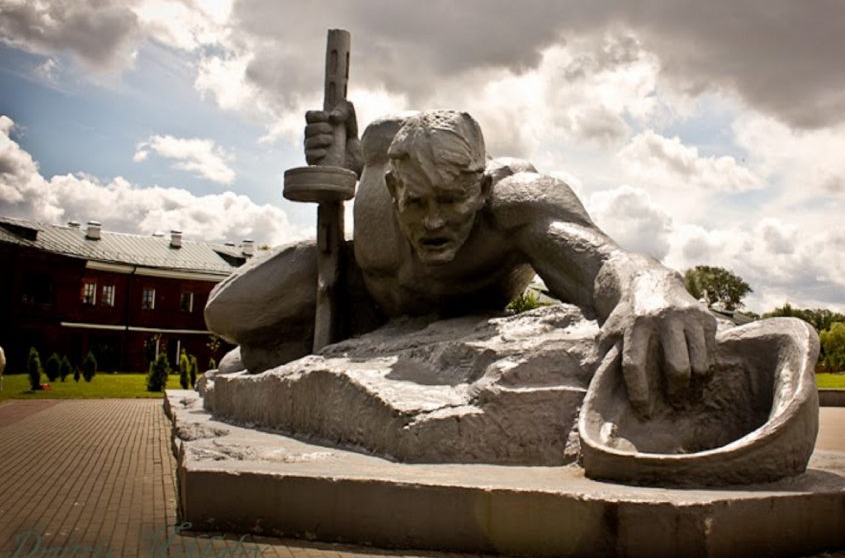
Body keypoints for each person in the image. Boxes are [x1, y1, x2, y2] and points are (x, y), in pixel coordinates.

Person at [207, 105, 717, 415]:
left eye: (452, 203)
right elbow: (358, 171)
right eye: (418, 204)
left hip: (425, 328)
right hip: (358, 302)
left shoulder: (515, 201)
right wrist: (340, 166)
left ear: (481, 187)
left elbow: (599, 257)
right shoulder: (379, 182)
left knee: (249, 362)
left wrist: (649, 284)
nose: (433, 223)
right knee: (226, 314)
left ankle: (263, 359)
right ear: (392, 189)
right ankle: (263, 357)